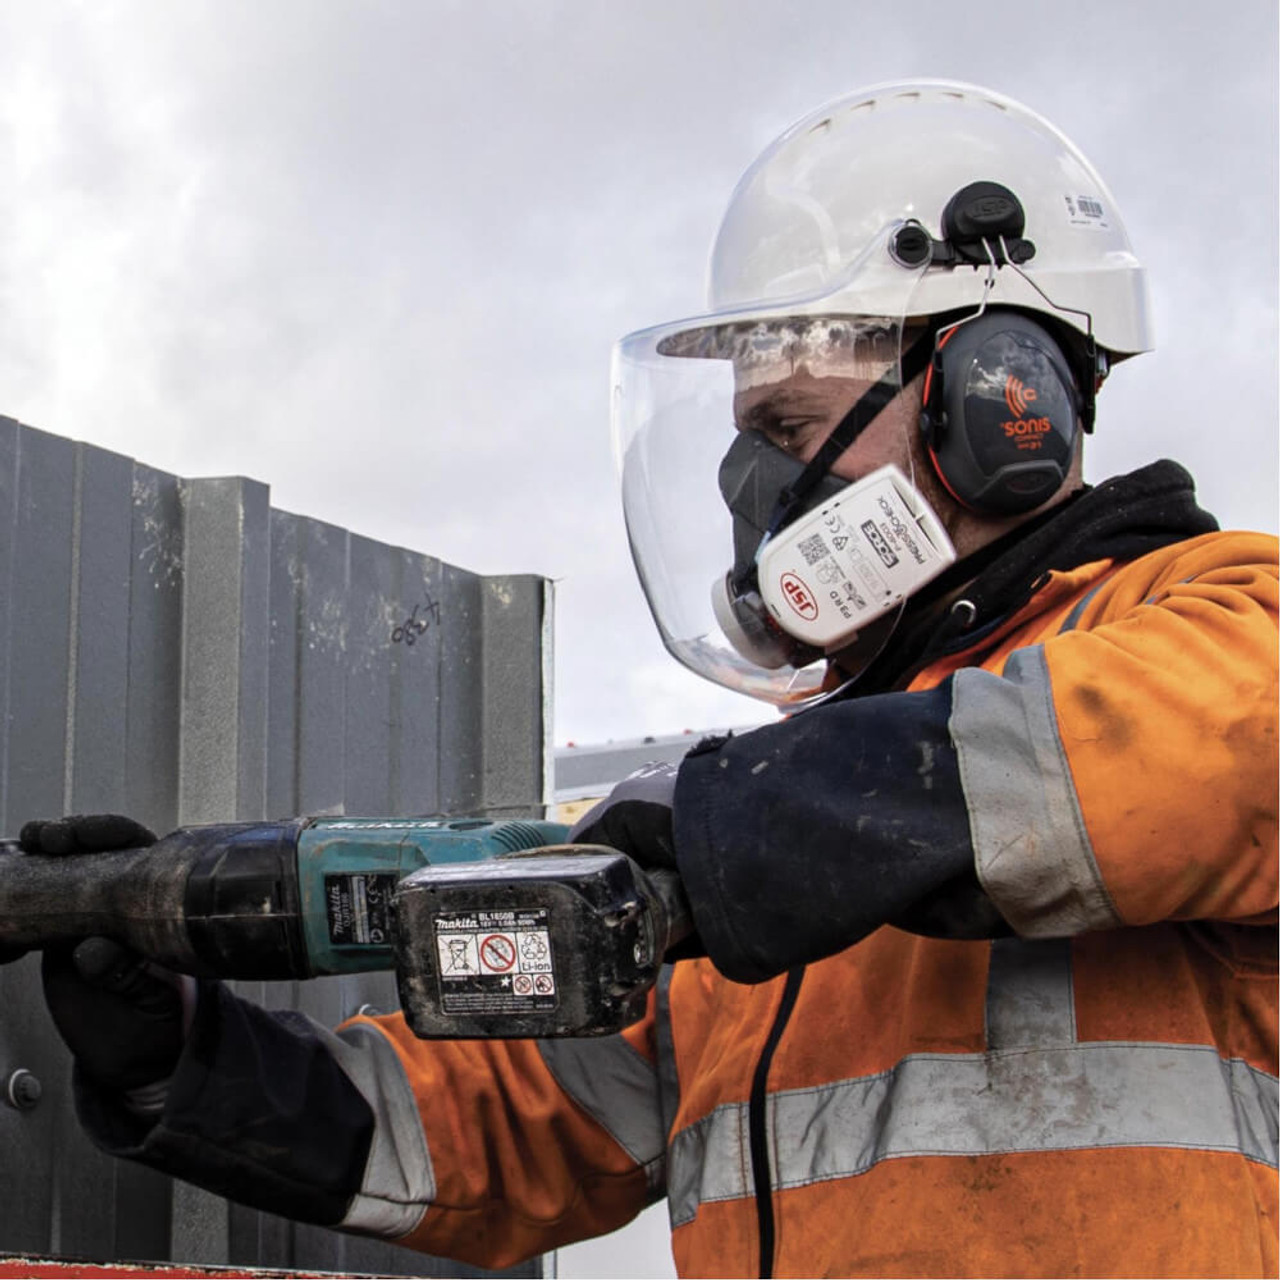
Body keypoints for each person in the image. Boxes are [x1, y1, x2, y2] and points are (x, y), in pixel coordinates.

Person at [13, 80, 1278, 1278]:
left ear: (1003, 401)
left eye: (786, 429)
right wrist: (186, 1054)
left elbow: (1129, 759)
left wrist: (706, 831)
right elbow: (510, 1125)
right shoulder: (783, 839)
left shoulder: (1221, 624)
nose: (755, 495)